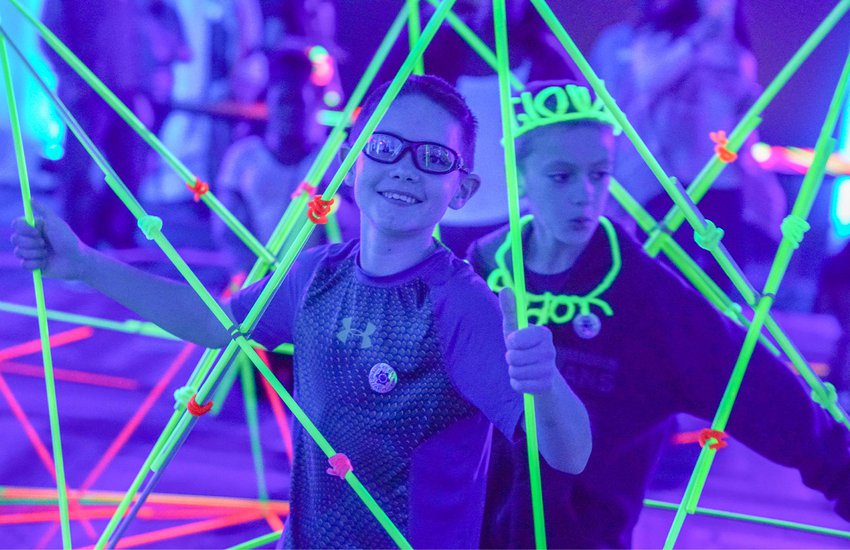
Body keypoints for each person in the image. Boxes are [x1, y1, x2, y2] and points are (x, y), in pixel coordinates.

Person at [11, 75, 591, 548]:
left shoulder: (459, 306)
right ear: (352, 160)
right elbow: (218, 322)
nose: (405, 168)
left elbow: (569, 452)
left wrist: (546, 384)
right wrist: (85, 264)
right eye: (385, 146)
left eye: (434, 157)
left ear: (461, 190)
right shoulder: (316, 274)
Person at [466, 80, 850, 548]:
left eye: (599, 173)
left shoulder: (648, 296)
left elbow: (765, 396)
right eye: (561, 176)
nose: (585, 195)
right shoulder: (482, 267)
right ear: (519, 175)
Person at [590, 0, 786, 283]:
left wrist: (759, 182)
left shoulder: (738, 56)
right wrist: (697, 40)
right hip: (669, 184)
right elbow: (647, 82)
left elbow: (743, 127)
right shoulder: (658, 40)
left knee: (726, 280)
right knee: (668, 276)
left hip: (722, 182)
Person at [41, 0, 191, 248]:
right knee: (79, 169)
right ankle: (75, 242)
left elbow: (138, 37)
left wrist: (144, 84)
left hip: (127, 91)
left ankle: (116, 232)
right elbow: (49, 30)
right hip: (87, 91)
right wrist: (72, 77)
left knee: (131, 166)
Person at [214, 48, 356, 273]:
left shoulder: (331, 160)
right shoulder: (242, 157)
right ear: (269, 102)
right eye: (283, 101)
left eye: (298, 102)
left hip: (315, 280)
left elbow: (352, 228)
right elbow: (226, 229)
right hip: (256, 279)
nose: (290, 111)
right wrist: (254, 276)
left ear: (312, 104)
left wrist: (333, 203)